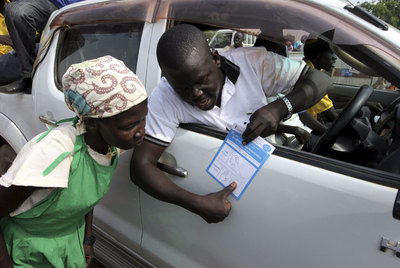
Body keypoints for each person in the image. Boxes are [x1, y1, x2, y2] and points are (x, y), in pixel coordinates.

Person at [131, 24, 331, 223]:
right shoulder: (165, 95)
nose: (196, 94)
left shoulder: (252, 62)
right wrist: (197, 203)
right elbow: (141, 166)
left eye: (202, 80)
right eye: (183, 89)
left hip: (279, 170)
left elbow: (320, 79)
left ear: (216, 59)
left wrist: (279, 108)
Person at [0, 55, 148, 267]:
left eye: (143, 119)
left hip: (69, 240)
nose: (141, 131)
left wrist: (86, 240)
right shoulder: (55, 155)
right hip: (28, 251)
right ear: (94, 123)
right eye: (129, 126)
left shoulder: (109, 148)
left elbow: (85, 195)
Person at [0, 0, 82, 94]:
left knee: (17, 12)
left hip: (72, 8)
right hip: (29, 50)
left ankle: (29, 73)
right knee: (15, 12)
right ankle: (28, 74)